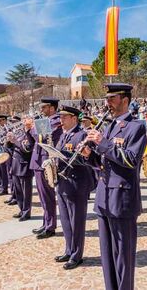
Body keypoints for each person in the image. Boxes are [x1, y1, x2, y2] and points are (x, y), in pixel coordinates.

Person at [81, 83, 147, 290]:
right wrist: (88, 156)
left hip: (122, 199)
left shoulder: (136, 127)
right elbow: (103, 163)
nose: (107, 102)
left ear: (124, 100)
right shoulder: (108, 126)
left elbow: (130, 161)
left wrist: (102, 142)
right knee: (107, 255)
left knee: (123, 257)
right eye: (106, 98)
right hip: (104, 197)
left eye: (112, 98)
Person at [54, 106, 95, 270]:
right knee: (65, 219)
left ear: (74, 119)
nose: (61, 120)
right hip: (63, 181)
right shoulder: (64, 134)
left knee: (76, 220)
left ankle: (77, 254)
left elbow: (88, 160)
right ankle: (69, 249)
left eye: (64, 117)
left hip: (77, 182)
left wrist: (66, 156)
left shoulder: (82, 135)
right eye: (60, 117)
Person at [26, 97, 63, 239]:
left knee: (47, 196)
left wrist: (31, 127)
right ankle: (45, 222)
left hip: (45, 161)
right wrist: (29, 129)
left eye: (44, 107)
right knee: (42, 196)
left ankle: (50, 226)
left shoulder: (56, 121)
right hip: (37, 160)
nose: (41, 110)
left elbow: (41, 136)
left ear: (52, 108)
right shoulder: (44, 121)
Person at [6, 117, 34, 221]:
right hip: (15, 164)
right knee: (18, 190)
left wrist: (15, 141)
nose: (22, 123)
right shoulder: (18, 133)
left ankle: (26, 212)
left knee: (26, 191)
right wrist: (9, 140)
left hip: (24, 165)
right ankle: (21, 209)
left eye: (25, 121)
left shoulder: (28, 134)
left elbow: (27, 148)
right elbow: (10, 148)